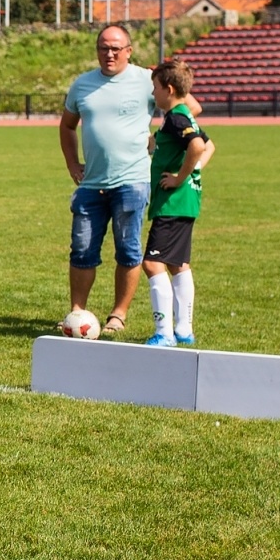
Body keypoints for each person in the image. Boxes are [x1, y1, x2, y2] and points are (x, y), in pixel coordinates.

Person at [60, 25, 202, 336]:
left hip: (133, 182)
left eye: (115, 48)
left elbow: (188, 106)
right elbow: (67, 126)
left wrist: (161, 137)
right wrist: (73, 163)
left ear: (129, 50)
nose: (109, 53)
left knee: (128, 250)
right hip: (90, 184)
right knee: (82, 250)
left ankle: (118, 314)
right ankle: (77, 312)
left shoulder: (145, 80)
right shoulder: (82, 85)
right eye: (103, 48)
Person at [143, 60, 214, 349]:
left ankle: (165, 333)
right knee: (177, 264)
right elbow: (209, 146)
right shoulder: (183, 115)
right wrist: (192, 173)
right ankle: (184, 330)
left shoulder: (175, 117)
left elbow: (198, 147)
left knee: (151, 264)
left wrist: (179, 178)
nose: (153, 94)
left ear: (169, 90)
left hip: (173, 203)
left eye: (156, 88)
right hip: (185, 202)